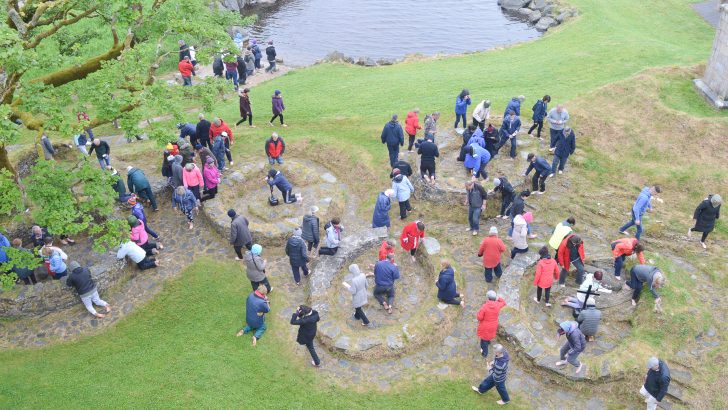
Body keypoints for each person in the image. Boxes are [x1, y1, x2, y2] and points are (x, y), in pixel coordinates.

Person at [476, 290, 506, 357]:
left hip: (485, 326)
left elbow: (479, 318)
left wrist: (478, 314)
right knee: (489, 335)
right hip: (493, 325)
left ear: (488, 298)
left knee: (483, 341)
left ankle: (485, 353)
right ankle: (488, 341)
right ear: (494, 298)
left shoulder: (484, 307)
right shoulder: (498, 305)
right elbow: (504, 302)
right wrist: (498, 298)